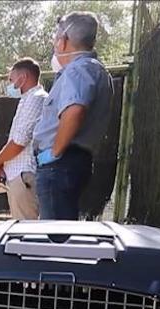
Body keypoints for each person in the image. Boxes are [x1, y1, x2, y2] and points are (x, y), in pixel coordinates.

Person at [32, 11, 113, 220]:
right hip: (71, 163)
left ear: (64, 41)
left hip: (60, 165)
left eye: (56, 37)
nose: (54, 42)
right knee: (62, 231)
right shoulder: (96, 70)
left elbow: (75, 110)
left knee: (54, 238)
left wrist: (55, 152)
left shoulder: (78, 70)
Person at [0, 58, 47, 220]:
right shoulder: (27, 99)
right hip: (17, 177)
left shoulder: (37, 98)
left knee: (27, 235)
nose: (10, 84)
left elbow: (19, 142)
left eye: (11, 79)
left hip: (24, 177)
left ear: (23, 78)